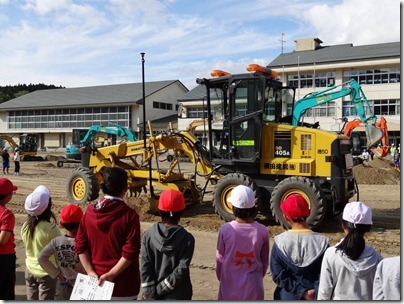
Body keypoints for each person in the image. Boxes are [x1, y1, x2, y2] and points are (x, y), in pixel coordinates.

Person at [75, 166, 141, 300]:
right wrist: (111, 275)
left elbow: (80, 246)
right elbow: (131, 251)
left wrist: (90, 272)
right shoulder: (129, 216)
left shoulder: (89, 212)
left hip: (95, 284)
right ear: (125, 189)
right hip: (124, 287)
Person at [317, 201, 383, 300]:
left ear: (343, 226)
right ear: (368, 228)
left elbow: (324, 293)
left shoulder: (331, 255)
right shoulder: (377, 259)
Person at [270, 194, 329, 300]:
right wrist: (312, 292)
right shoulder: (322, 242)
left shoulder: (280, 243)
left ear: (286, 217)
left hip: (287, 296)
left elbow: (278, 274)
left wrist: (300, 291)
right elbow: (325, 273)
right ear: (309, 213)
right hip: (314, 295)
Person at [216, 185, 269, 300]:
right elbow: (264, 262)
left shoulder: (225, 230)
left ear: (233, 208)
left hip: (229, 285)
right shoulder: (262, 230)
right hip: (254, 286)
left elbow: (220, 259)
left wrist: (223, 277)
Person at [141, 189, 195, 300]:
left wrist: (150, 293)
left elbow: (145, 267)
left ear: (160, 211)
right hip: (178, 295)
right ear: (182, 211)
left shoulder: (148, 236)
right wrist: (160, 289)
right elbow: (181, 270)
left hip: (152, 296)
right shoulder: (187, 239)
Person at [20, 185, 62, 300]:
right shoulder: (51, 228)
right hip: (46, 273)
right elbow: (60, 249)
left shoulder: (25, 226)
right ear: (48, 206)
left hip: (29, 270)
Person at [38, 204, 85, 300]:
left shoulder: (56, 241)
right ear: (82, 223)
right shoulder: (85, 242)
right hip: (83, 284)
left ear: (61, 224)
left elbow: (41, 258)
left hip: (64, 282)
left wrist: (57, 274)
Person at [0, 178, 18, 300]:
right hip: (4, 259)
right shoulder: (7, 215)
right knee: (6, 293)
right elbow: (2, 241)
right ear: (7, 196)